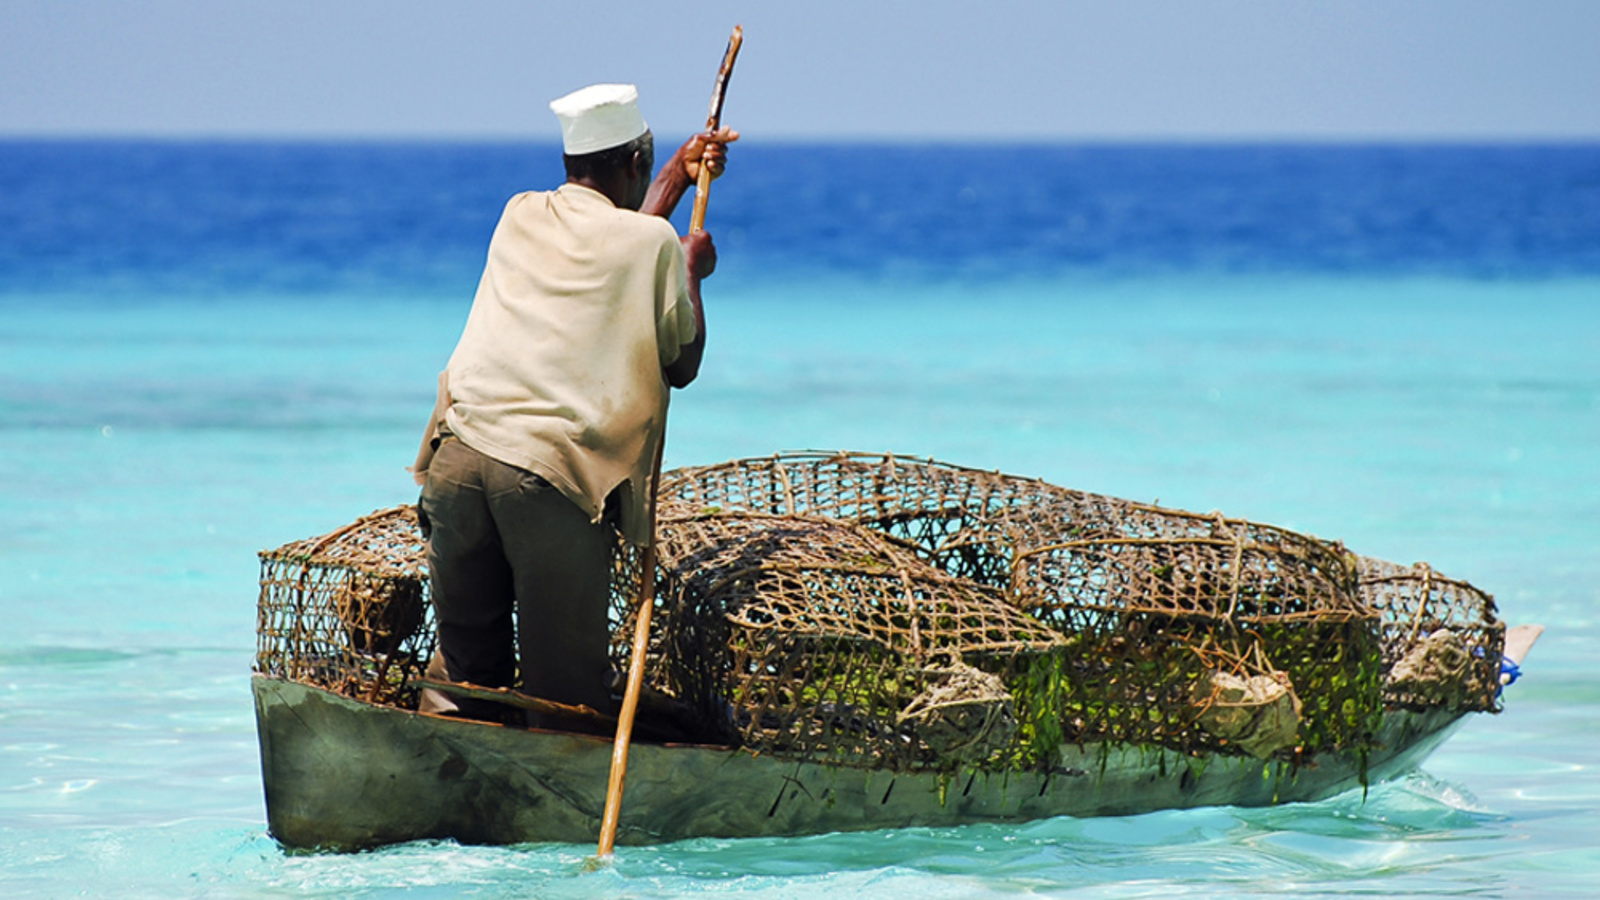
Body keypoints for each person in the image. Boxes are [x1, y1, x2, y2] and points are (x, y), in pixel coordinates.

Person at [409, 83, 736, 726]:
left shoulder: (520, 212)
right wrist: (692, 273)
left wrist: (674, 170)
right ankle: (548, 821)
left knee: (466, 674)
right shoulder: (658, 247)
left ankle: (440, 781)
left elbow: (617, 237)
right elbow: (683, 363)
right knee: (565, 698)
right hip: (544, 480)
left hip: (457, 458)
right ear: (632, 166)